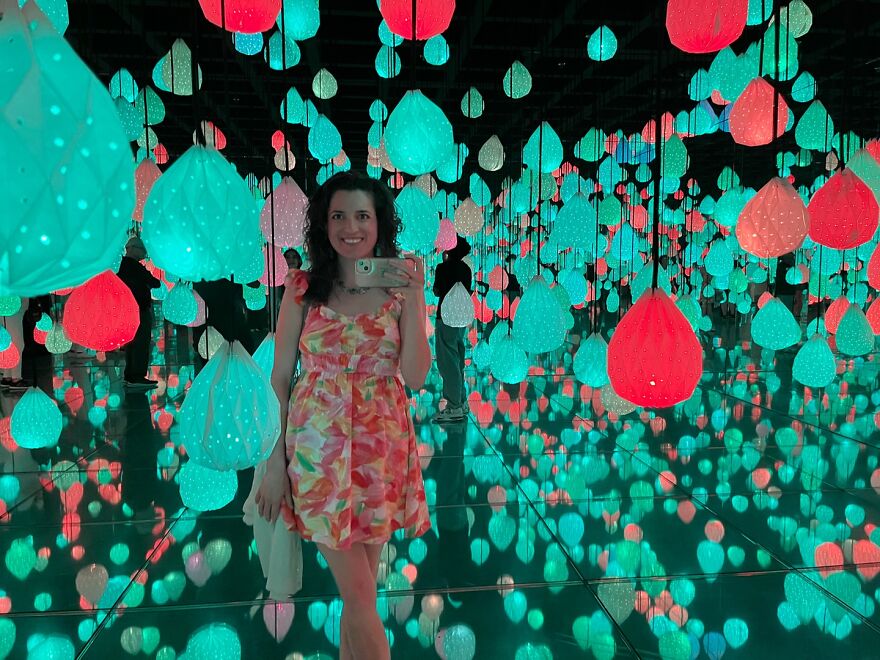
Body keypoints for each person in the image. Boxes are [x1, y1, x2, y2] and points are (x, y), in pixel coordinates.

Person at [254, 171, 431, 660]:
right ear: (322, 225)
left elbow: (415, 376)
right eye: (338, 216)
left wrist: (416, 299)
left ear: (380, 224)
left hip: (383, 455)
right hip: (316, 459)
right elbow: (279, 380)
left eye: (362, 215)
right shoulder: (302, 289)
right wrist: (273, 465)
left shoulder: (399, 292)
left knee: (362, 595)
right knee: (358, 594)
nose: (350, 227)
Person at [431, 235, 473, 423]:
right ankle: (461, 401)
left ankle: (454, 406)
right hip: (461, 318)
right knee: (457, 357)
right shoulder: (465, 269)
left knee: (447, 360)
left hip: (446, 317)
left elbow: (437, 290)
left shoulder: (443, 268)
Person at [117, 236, 161, 388]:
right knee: (141, 342)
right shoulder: (135, 266)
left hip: (127, 309)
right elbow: (155, 282)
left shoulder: (121, 266)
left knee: (131, 343)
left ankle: (130, 374)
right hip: (139, 309)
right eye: (142, 250)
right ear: (134, 249)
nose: (144, 253)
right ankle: (137, 376)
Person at [0, 296, 29, 391]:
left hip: (7, 305)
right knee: (17, 343)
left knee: (7, 341)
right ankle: (15, 378)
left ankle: (7, 376)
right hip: (12, 305)